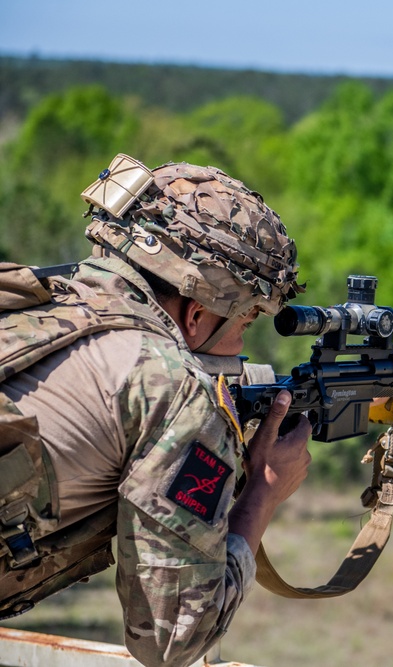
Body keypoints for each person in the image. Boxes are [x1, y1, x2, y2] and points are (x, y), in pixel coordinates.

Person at [0, 155, 313, 667]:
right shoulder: (173, 388)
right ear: (196, 315)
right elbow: (170, 641)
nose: (239, 348)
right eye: (246, 322)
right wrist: (263, 491)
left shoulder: (32, 303)